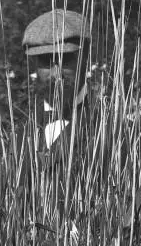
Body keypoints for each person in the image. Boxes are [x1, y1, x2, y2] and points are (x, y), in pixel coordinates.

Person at [22, 8, 93, 155]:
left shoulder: (111, 129)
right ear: (35, 63)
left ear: (85, 57)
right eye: (45, 60)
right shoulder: (20, 137)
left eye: (65, 59)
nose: (56, 74)